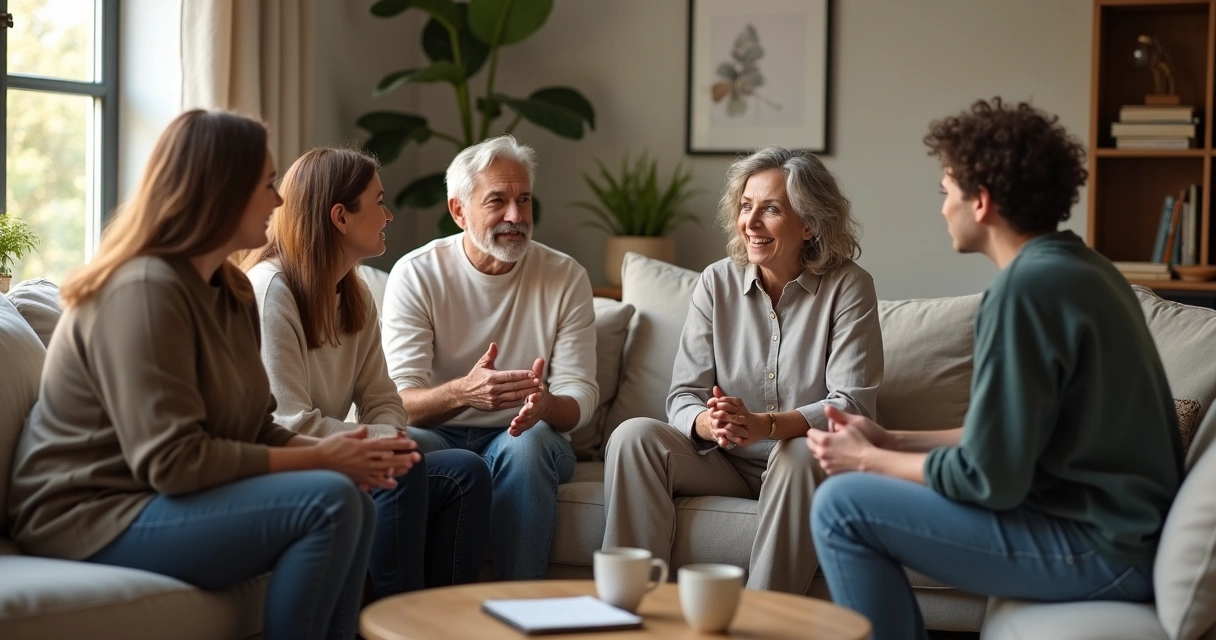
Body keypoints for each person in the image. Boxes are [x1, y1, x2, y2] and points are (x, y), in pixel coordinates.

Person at [6, 110, 421, 640]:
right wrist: (321, 455)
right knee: (331, 500)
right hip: (84, 510)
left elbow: (253, 425)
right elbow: (174, 462)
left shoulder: (233, 290)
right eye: (266, 184)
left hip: (150, 496)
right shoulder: (144, 291)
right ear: (220, 190)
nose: (278, 201)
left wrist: (347, 456)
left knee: (353, 498)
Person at [807, 98, 1183, 640]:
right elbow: (1004, 442)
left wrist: (866, 461)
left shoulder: (1027, 290)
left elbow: (990, 479)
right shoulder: (1082, 268)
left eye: (947, 192)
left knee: (841, 505)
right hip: (1123, 537)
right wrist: (892, 439)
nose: (942, 208)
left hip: (1102, 550)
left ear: (980, 201)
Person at [602, 146, 883, 594]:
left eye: (769, 209)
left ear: (809, 223)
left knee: (801, 450)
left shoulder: (849, 286)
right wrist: (710, 424)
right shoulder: (716, 282)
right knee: (634, 437)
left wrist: (764, 425)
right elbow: (682, 395)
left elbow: (850, 408)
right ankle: (629, 605)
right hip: (723, 461)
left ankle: (761, 619)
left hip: (802, 465)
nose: (749, 223)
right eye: (745, 206)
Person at [242, 147, 492, 596]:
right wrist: (385, 448)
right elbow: (287, 423)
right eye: (378, 202)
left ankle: (442, 622)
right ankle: (395, 620)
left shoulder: (353, 293)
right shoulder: (271, 291)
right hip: (290, 465)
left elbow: (383, 400)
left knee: (466, 471)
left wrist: (387, 440)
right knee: (403, 467)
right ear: (340, 217)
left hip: (339, 459)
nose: (389, 215)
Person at [381, 135, 598, 581]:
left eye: (524, 200)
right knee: (401, 448)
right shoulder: (418, 273)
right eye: (497, 201)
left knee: (529, 443)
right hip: (438, 435)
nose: (516, 216)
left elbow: (582, 392)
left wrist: (545, 407)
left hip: (526, 438)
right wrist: (465, 392)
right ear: (459, 210)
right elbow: (399, 403)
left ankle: (523, 607)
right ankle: (413, 614)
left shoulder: (565, 276)